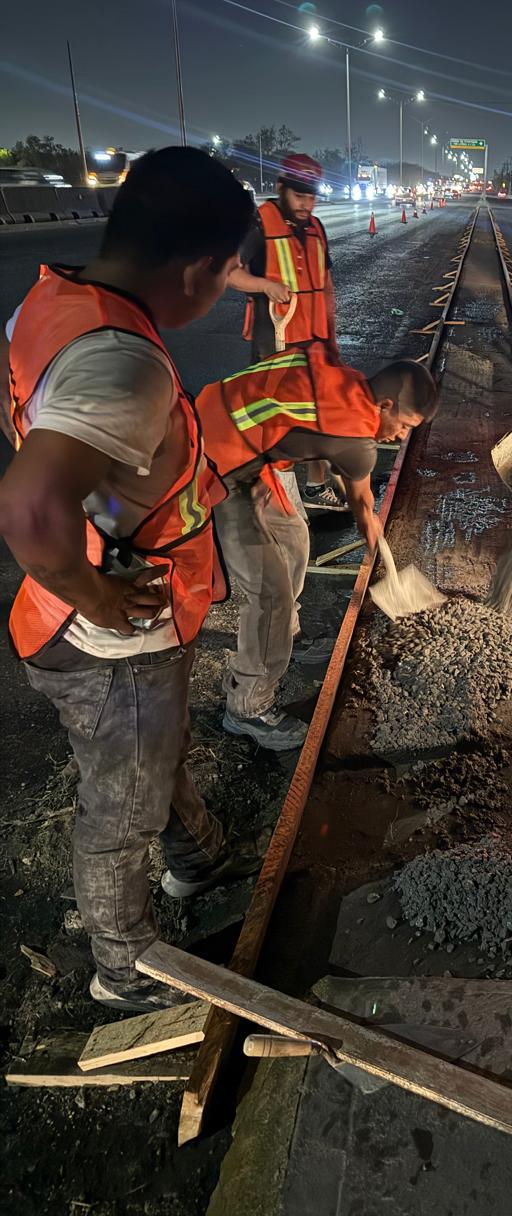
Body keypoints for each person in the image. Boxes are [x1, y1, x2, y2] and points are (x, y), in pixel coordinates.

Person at [0, 148, 258, 1013]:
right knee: (122, 809)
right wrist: (101, 594)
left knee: (149, 760)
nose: (223, 291)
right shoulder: (127, 364)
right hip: (115, 641)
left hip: (83, 608)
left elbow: (52, 446)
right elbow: (31, 505)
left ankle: (201, 859)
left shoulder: (55, 301)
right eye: (226, 276)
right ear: (195, 270)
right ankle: (126, 970)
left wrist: (108, 512)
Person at [195, 350, 438, 750]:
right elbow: (361, 506)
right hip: (215, 461)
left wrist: (366, 513)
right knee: (268, 591)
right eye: (403, 426)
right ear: (386, 405)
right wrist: (368, 524)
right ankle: (247, 706)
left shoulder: (348, 385)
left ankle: (283, 638)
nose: (400, 437)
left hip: (251, 449)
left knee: (294, 538)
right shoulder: (356, 440)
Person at [226, 152, 348, 514]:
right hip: (275, 345)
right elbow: (229, 273)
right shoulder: (259, 227)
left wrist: (332, 339)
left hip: (313, 342)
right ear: (281, 189)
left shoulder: (316, 228)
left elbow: (325, 284)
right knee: (277, 422)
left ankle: (314, 486)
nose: (305, 204)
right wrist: (265, 285)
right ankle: (272, 495)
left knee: (318, 415)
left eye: (310, 197)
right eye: (299, 196)